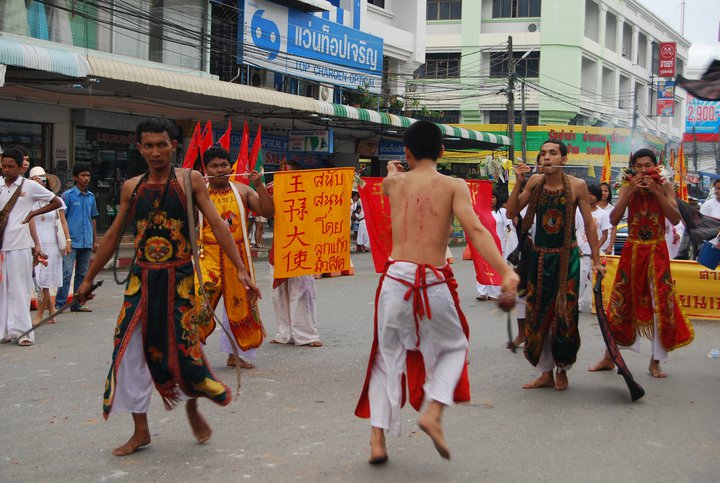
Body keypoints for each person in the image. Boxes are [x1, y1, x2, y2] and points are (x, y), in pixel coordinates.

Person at [76, 118, 258, 456]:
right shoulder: (132, 187)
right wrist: (87, 278)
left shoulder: (190, 180)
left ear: (173, 145)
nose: (156, 152)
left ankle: (192, 407)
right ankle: (140, 430)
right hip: (142, 282)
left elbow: (217, 224)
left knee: (186, 350)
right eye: (149, 146)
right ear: (139, 148)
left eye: (162, 144)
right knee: (128, 352)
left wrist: (241, 269)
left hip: (181, 281)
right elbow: (113, 235)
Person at [355, 121, 519, 463]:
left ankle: (377, 440)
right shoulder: (453, 185)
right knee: (454, 346)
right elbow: (476, 230)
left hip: (397, 279)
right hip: (432, 279)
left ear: (407, 152)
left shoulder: (393, 184)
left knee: (385, 358)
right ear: (442, 151)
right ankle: (433, 411)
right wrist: (505, 271)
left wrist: (393, 170)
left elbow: (389, 183)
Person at [506, 140, 604, 391]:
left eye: (553, 153)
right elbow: (510, 212)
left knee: (565, 316)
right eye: (543, 154)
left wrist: (596, 260)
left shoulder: (577, 185)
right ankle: (545, 372)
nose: (547, 158)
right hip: (539, 259)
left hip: (566, 259)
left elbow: (590, 224)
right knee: (537, 315)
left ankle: (563, 370)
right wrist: (518, 182)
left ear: (564, 159)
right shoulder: (535, 182)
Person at [589, 149, 694, 378]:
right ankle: (609, 357)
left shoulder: (665, 186)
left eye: (648, 165)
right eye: (638, 166)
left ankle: (656, 361)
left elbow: (675, 218)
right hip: (632, 249)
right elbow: (614, 219)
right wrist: (629, 192)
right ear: (632, 168)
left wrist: (656, 192)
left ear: (656, 167)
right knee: (621, 301)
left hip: (657, 250)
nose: (643, 170)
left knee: (661, 303)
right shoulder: (627, 186)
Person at [196, 146, 274, 369]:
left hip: (239, 257)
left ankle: (235, 355)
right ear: (205, 170)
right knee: (198, 303)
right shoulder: (198, 193)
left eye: (224, 165)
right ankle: (191, 355)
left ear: (231, 167)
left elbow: (268, 213)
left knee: (241, 306)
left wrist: (259, 186)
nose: (220, 170)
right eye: (214, 166)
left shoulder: (243, 191)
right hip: (208, 256)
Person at [0, 148, 62, 346]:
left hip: (19, 247)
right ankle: (4, 331)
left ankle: (24, 333)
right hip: (1, 246)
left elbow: (57, 202)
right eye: (4, 166)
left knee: (19, 290)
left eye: (11, 166)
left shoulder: (30, 186)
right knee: (2, 290)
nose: (6, 170)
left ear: (20, 167)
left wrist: (33, 214)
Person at [269, 161, 323, 347]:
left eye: (288, 174)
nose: (283, 177)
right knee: (279, 295)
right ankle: (284, 334)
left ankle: (307, 335)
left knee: (303, 293)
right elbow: (265, 209)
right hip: (280, 248)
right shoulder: (273, 190)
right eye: (281, 174)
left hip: (302, 247)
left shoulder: (310, 192)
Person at [29, 167, 71, 325]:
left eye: (42, 179)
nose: (39, 182)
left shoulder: (56, 200)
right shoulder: (28, 201)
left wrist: (68, 241)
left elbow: (63, 221)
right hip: (35, 244)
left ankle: (40, 315)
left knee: (44, 281)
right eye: (35, 179)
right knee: (39, 280)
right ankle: (52, 310)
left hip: (52, 245)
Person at [55, 163, 98, 312]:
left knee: (82, 274)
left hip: (86, 241)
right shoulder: (68, 196)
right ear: (75, 177)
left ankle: (77, 303)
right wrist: (65, 239)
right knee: (66, 273)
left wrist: (95, 240)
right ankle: (59, 304)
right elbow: (62, 219)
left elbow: (93, 218)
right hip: (71, 241)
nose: (86, 178)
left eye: (88, 175)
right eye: (83, 175)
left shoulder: (91, 197)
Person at [574, 184, 611, 313]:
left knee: (595, 279)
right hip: (581, 252)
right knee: (580, 279)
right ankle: (577, 305)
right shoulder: (578, 212)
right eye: (588, 194)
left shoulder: (603, 214)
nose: (590, 196)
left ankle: (596, 306)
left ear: (598, 197)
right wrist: (577, 246)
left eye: (593, 194)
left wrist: (595, 248)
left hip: (595, 254)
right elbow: (574, 229)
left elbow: (605, 234)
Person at [476, 190, 512, 301]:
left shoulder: (502, 212)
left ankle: (495, 293)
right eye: (488, 197)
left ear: (497, 198)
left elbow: (510, 227)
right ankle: (482, 292)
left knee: (496, 268)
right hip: (484, 243)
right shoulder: (481, 212)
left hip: (500, 244)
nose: (491, 200)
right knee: (483, 267)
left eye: (493, 197)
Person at [598, 182, 616, 254]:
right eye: (601, 191)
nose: (603, 193)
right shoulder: (591, 207)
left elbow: (614, 229)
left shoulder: (612, 209)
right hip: (592, 245)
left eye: (606, 191)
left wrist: (610, 246)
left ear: (609, 193)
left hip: (607, 247)